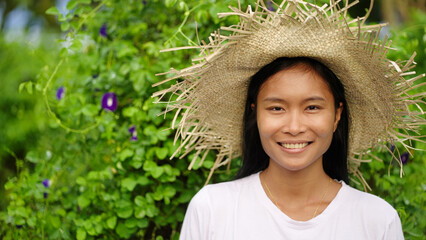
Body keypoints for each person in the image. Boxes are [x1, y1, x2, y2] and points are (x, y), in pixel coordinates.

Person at [153, 0, 424, 239]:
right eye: (276, 109)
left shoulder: (377, 221)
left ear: (337, 115)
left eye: (312, 108)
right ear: (254, 113)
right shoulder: (211, 210)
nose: (294, 127)